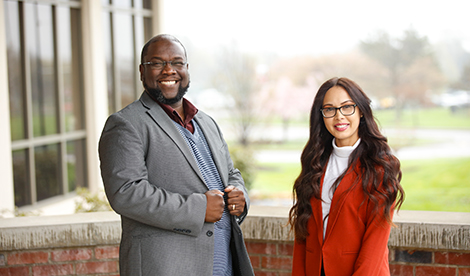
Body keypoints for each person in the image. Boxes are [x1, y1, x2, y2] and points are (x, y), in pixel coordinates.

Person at [99, 34, 254, 276]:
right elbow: (126, 193)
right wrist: (198, 208)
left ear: (187, 69)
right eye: (157, 63)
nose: (169, 70)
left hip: (224, 265)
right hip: (167, 267)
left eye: (177, 62)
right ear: (142, 71)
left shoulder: (206, 122)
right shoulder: (125, 124)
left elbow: (231, 173)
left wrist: (239, 193)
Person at [288, 77, 404, 276]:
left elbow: (375, 244)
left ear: (361, 111)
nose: (339, 116)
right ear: (322, 116)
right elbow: (303, 235)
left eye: (347, 107)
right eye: (330, 109)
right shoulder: (315, 163)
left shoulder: (380, 167)